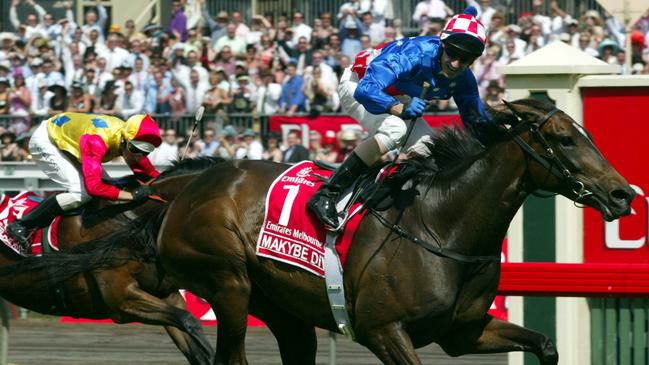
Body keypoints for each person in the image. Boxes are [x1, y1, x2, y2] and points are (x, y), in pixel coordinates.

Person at [308, 6, 494, 228]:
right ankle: (327, 193)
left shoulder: (465, 80)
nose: (456, 64)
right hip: (359, 83)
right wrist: (399, 108)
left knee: (429, 148)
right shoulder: (416, 52)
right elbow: (366, 90)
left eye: (466, 59)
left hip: (397, 94)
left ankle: (383, 191)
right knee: (396, 129)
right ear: (442, 43)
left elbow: (478, 124)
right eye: (453, 53)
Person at [6, 113, 162, 253]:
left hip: (72, 141)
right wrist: (132, 196)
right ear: (124, 139)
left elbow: (150, 174)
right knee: (81, 194)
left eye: (145, 152)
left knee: (109, 185)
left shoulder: (129, 140)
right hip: (48, 140)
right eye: (135, 149)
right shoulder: (97, 140)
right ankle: (21, 225)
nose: (139, 156)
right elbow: (94, 188)